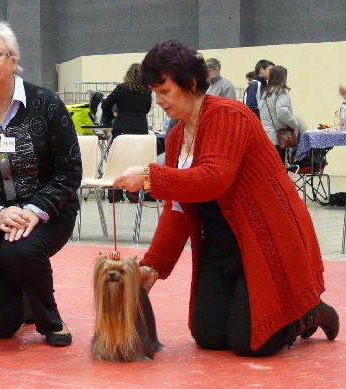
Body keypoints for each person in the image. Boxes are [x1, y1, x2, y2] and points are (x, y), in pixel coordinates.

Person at [113, 39, 339, 357]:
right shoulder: (177, 136)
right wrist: (152, 268)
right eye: (155, 93)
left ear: (191, 84)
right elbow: (177, 209)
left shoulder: (228, 116)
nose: (159, 100)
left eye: (164, 91)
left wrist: (151, 177)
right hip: (220, 248)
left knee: (252, 343)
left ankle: (308, 312)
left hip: (264, 241)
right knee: (209, 336)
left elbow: (212, 179)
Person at [0, 21, 82, 347]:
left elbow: (70, 170)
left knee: (19, 249)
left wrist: (34, 210)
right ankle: (22, 294)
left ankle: (50, 320)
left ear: (14, 59)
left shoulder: (46, 104)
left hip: (49, 212)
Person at [102, 63, 152, 202]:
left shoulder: (121, 89)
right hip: (140, 129)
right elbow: (147, 109)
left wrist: (112, 115)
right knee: (137, 162)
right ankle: (135, 195)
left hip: (122, 129)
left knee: (117, 162)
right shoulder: (147, 91)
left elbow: (106, 104)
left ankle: (115, 195)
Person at [259, 66, 298, 164]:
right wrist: (295, 125)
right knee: (280, 168)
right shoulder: (281, 91)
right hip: (278, 137)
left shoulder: (265, 93)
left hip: (265, 136)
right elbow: (282, 112)